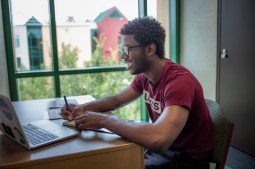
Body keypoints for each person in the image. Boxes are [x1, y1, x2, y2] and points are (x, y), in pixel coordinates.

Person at [61, 17, 213, 169]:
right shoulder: (145, 77)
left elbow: (159, 139)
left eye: (128, 49)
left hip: (186, 160)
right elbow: (116, 100)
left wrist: (104, 121)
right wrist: (82, 109)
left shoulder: (179, 82)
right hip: (163, 153)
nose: (123, 55)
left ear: (150, 49)